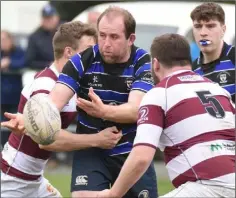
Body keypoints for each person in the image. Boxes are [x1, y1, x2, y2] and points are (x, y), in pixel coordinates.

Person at [5, 6, 157, 198]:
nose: (105, 43)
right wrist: (32, 121)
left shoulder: (141, 60)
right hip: (17, 178)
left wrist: (104, 112)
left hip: (129, 149)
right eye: (102, 35)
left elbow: (136, 110)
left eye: (114, 37)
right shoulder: (75, 64)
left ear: (131, 39)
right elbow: (51, 106)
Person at [92, 33, 235, 198]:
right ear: (188, 61)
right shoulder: (219, 90)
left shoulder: (159, 94)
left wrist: (112, 194)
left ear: (155, 64)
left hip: (205, 187)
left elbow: (141, 157)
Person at [1, 21, 122, 198]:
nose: (93, 56)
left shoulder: (69, 83)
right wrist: (97, 139)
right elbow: (47, 139)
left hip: (35, 180)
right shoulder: (46, 84)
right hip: (12, 180)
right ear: (68, 52)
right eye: (88, 49)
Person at [191, 2, 235, 102]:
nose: (203, 33)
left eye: (210, 26)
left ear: (223, 30)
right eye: (198, 26)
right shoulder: (192, 71)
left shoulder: (233, 58)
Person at [1, 30, 26, 147]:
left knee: (15, 125)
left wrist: (9, 63)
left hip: (15, 96)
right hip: (2, 97)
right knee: (2, 126)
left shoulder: (18, 51)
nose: (2, 42)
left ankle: (12, 147)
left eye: (4, 39)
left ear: (11, 40)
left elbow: (25, 61)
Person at [25, 4, 60, 69]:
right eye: (46, 18)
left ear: (57, 18)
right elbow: (29, 61)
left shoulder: (63, 33)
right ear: (42, 19)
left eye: (51, 18)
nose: (48, 21)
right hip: (43, 72)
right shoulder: (34, 37)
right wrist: (48, 64)